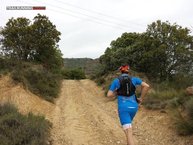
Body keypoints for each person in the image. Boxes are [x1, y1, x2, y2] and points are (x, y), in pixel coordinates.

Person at [107, 64, 149, 145]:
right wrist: (141, 98)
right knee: (127, 129)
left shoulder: (116, 81)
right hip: (134, 107)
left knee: (128, 131)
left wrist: (117, 91)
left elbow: (109, 95)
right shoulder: (134, 79)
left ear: (120, 71)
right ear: (128, 71)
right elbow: (146, 86)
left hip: (123, 108)